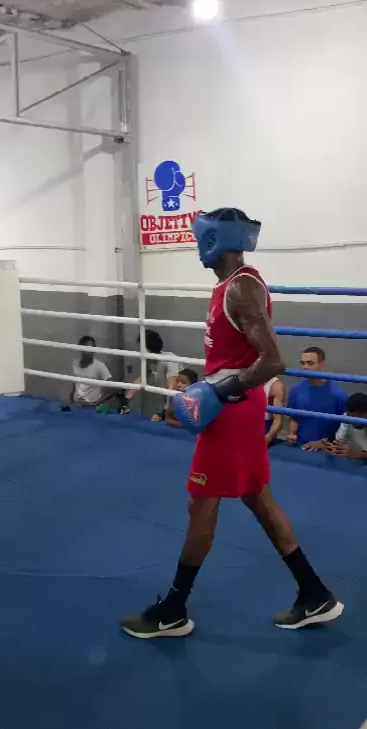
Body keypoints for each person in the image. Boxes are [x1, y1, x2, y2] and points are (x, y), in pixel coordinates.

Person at [121, 208, 343, 639]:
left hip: (232, 411)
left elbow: (273, 360)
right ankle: (315, 593)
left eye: (200, 239)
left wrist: (219, 392)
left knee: (202, 503)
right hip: (237, 405)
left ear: (214, 240)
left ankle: (173, 610)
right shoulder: (233, 285)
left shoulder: (241, 288)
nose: (196, 247)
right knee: (257, 498)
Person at [287, 348, 347, 451]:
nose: (305, 367)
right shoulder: (296, 390)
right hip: (300, 447)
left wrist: (324, 442)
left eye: (310, 363)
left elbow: (345, 427)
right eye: (303, 363)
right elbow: (294, 417)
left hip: (327, 451)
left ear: (322, 364)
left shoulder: (338, 395)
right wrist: (292, 433)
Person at [126, 329, 179, 420]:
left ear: (149, 348)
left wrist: (165, 411)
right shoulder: (149, 361)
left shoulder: (169, 360)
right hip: (163, 403)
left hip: (176, 405)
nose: (138, 350)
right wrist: (126, 398)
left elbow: (172, 387)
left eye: (141, 347)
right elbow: (142, 379)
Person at [64, 336, 113, 408]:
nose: (92, 350)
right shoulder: (75, 363)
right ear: (81, 349)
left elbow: (112, 389)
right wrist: (70, 400)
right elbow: (75, 385)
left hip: (91, 407)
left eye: (93, 347)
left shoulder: (99, 366)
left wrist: (95, 403)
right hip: (77, 405)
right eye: (89, 347)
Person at [325, 393, 367, 461]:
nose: (354, 422)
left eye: (357, 418)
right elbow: (338, 441)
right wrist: (332, 447)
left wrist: (357, 454)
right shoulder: (347, 417)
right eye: (351, 417)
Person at [265, 376, 286, 446]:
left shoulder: (276, 386)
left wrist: (268, 437)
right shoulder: (246, 379)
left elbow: (278, 421)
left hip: (264, 428)